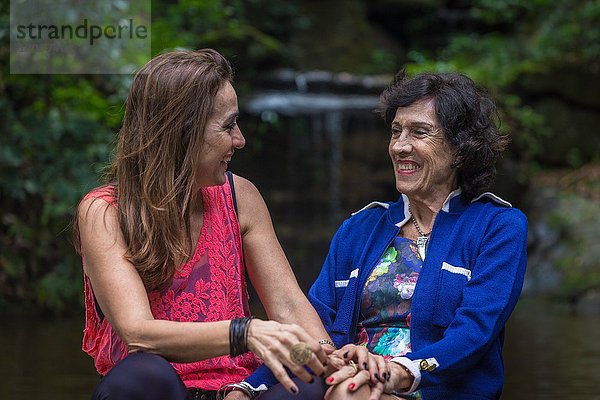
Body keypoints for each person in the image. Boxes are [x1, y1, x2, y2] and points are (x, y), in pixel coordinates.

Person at [241, 71, 528, 400]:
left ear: (460, 149)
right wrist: (252, 384)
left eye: (419, 132)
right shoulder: (359, 228)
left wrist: (400, 371)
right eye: (396, 132)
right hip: (350, 377)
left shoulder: (498, 226)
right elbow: (315, 321)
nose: (400, 146)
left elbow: (476, 330)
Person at [73, 49, 334, 400]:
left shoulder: (241, 196)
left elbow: (287, 305)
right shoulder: (104, 212)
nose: (239, 140)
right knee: (142, 375)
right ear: (182, 132)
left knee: (309, 377)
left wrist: (327, 357)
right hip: (160, 388)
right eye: (228, 126)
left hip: (239, 390)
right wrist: (244, 332)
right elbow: (138, 334)